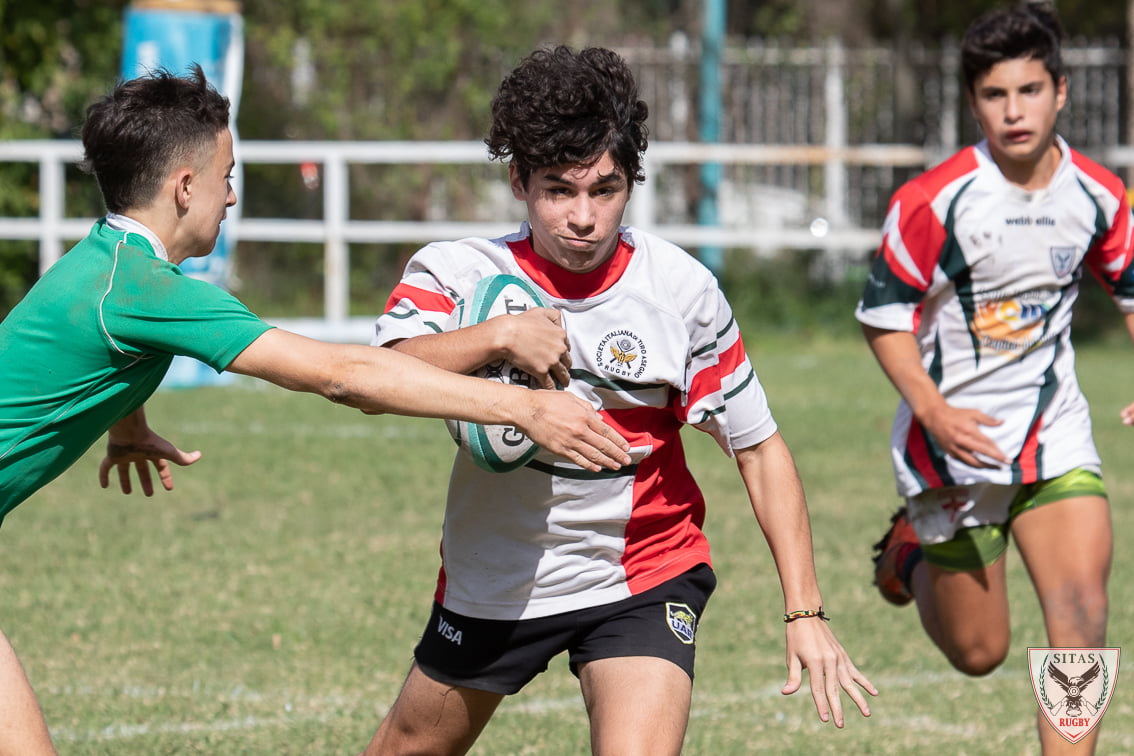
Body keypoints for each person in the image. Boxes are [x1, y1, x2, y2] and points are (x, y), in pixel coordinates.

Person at [0, 65, 632, 756]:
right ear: (185, 187)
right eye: (226, 173)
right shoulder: (147, 290)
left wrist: (127, 425)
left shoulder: (110, 266)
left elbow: (99, 345)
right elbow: (344, 374)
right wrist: (519, 405)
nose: (233, 194)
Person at [361, 46, 876, 756]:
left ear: (632, 180)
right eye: (558, 190)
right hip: (499, 577)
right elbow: (381, 374)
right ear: (518, 181)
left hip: (644, 574)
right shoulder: (459, 273)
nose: (583, 217)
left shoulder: (681, 292)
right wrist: (500, 336)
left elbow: (759, 451)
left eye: (605, 190)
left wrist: (805, 610)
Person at [857, 4, 1134, 754]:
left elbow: (1132, 287)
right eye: (995, 95)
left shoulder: (1100, 196)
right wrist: (932, 411)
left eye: (1030, 90)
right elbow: (883, 316)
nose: (1014, 111)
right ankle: (911, 551)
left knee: (1080, 609)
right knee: (979, 653)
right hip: (956, 447)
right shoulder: (933, 202)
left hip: (1055, 434)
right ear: (974, 101)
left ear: (1062, 91)